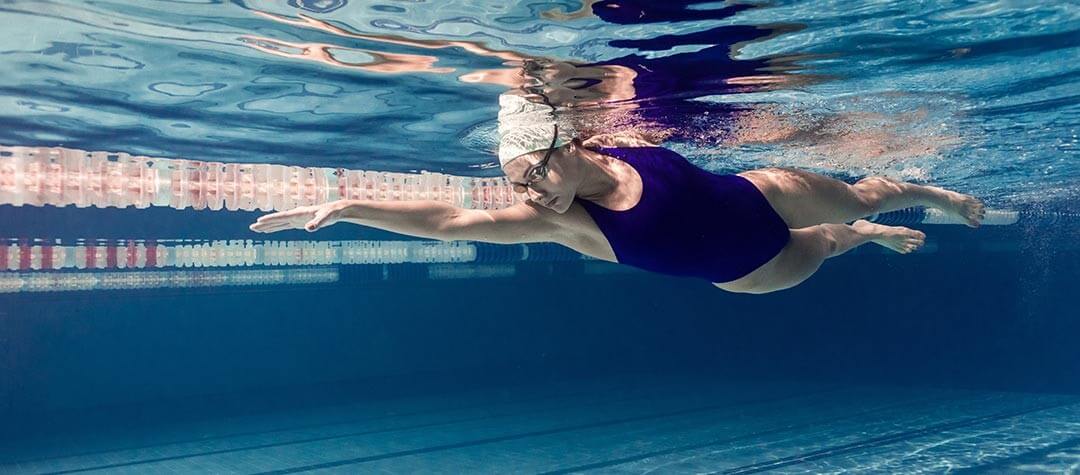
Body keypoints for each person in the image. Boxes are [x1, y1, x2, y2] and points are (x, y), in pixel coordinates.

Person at [249, 93, 985, 294]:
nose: (530, 190)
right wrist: (350, 206)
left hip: (760, 199)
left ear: (569, 144)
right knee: (831, 244)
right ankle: (870, 238)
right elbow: (449, 220)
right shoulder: (563, 227)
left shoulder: (619, 133)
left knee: (856, 200)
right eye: (516, 184)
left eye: (534, 171)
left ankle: (934, 195)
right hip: (747, 274)